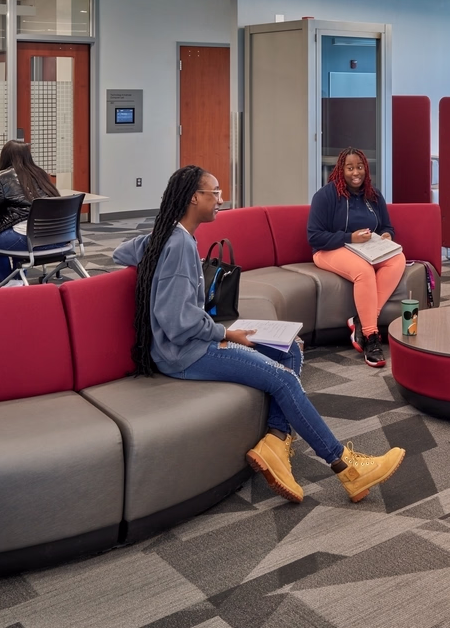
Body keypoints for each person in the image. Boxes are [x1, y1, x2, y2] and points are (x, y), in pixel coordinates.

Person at [114, 164, 405, 505]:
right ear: (194, 198)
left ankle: (276, 443)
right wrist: (226, 334)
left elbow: (123, 252)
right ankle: (346, 467)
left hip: (192, 341)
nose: (222, 199)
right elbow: (178, 322)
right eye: (215, 192)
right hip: (185, 353)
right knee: (283, 379)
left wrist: (154, 245)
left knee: (291, 347)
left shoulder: (172, 235)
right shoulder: (177, 245)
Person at [307, 147, 405, 368]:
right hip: (328, 250)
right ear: (340, 170)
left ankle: (361, 320)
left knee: (397, 258)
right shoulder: (326, 195)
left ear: (366, 169)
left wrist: (388, 235)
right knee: (364, 270)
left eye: (359, 167)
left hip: (366, 249)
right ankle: (371, 337)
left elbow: (386, 225)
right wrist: (349, 237)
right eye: (349, 168)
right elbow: (314, 236)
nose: (355, 173)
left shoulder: (374, 195)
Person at [0, 140, 59, 285]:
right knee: (17, 235)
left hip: (30, 240)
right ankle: (18, 281)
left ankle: (10, 284)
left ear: (4, 156)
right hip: (59, 239)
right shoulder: (41, 174)